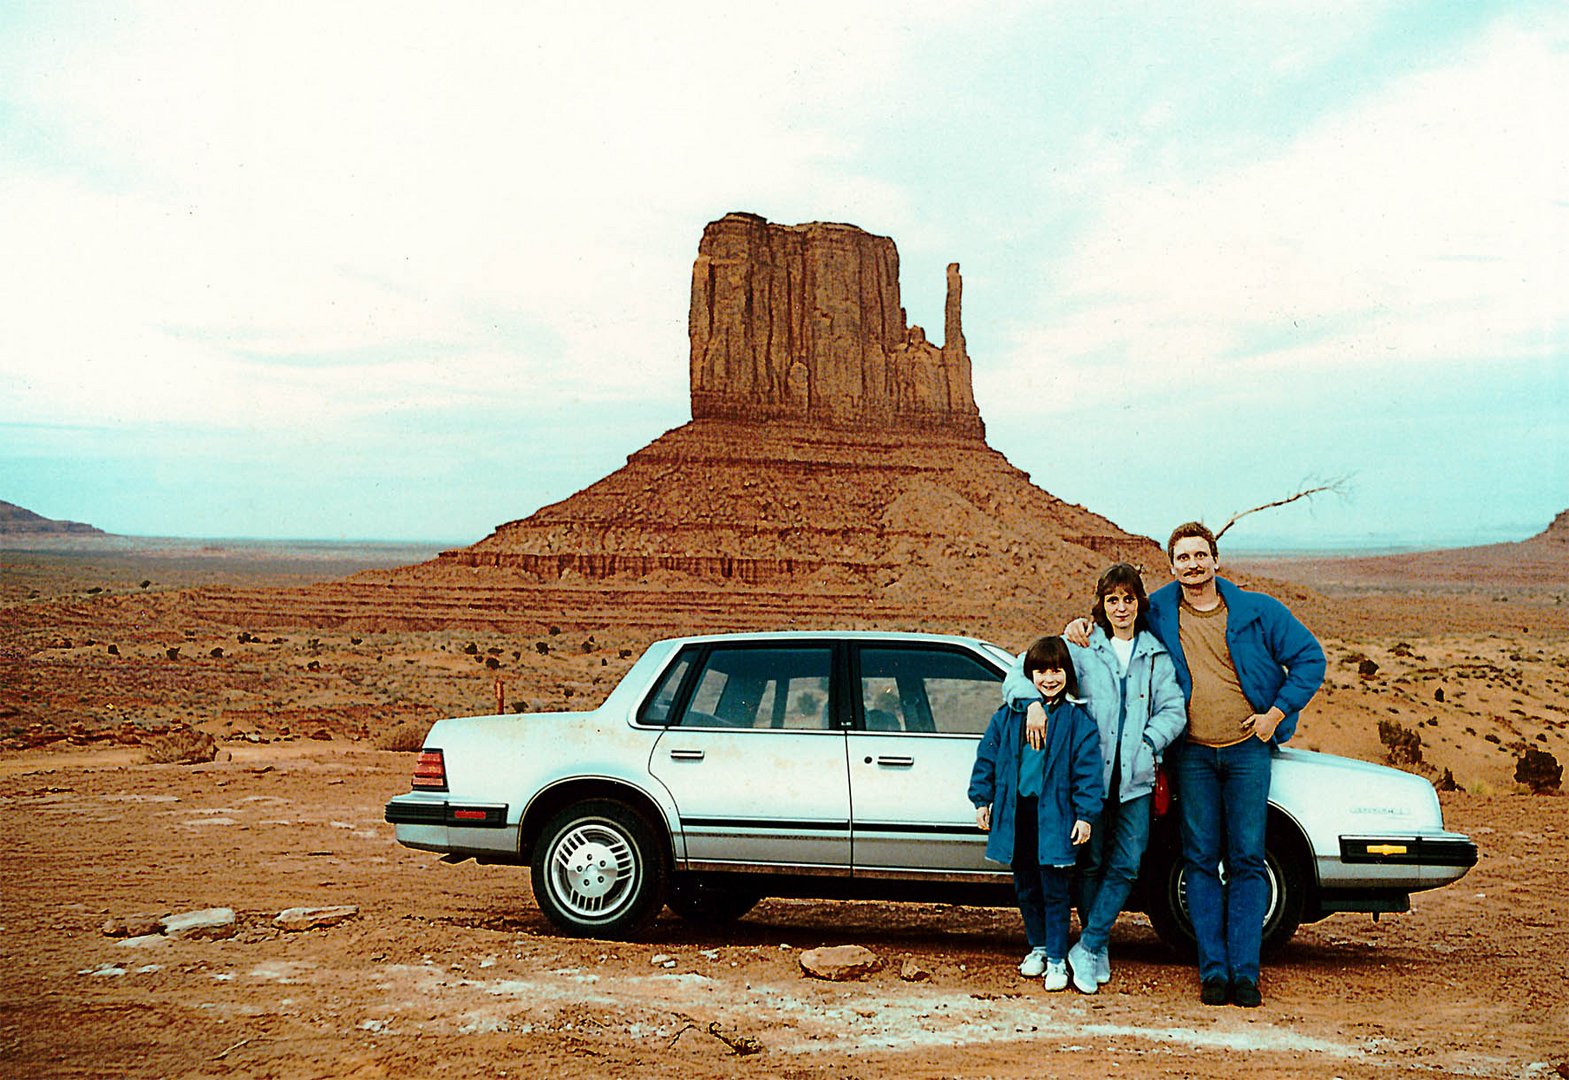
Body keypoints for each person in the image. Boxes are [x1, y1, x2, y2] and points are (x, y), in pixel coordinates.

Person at [1068, 522, 1325, 1008]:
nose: (1192, 564)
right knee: (1201, 859)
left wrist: (1276, 713)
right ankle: (1212, 972)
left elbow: (1310, 659)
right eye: (1182, 557)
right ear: (1172, 566)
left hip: (1248, 750)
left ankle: (1245, 974)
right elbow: (1112, 620)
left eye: (1199, 555)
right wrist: (1077, 628)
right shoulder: (1159, 609)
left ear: (1215, 559)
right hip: (1193, 755)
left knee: (1249, 857)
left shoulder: (1257, 611)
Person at [1001, 563, 1186, 994]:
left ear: (1140, 603)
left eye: (1129, 599)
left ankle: (1090, 943)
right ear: (1101, 605)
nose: (1121, 608)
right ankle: (1094, 948)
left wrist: (1149, 742)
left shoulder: (1154, 654)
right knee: (1091, 862)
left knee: (1127, 862)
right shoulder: (1081, 645)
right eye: (1112, 600)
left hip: (1136, 777)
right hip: (1086, 776)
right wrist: (1031, 702)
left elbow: (1173, 709)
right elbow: (1017, 675)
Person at [969, 636, 1103, 991]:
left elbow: (1088, 774)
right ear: (1029, 675)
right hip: (1018, 815)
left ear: (1067, 675)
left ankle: (1058, 959)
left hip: (1056, 818)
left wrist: (1085, 816)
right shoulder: (1008, 716)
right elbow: (987, 759)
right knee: (1026, 885)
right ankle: (1039, 947)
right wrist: (982, 801)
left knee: (1055, 890)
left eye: (1056, 670)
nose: (1049, 678)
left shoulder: (1078, 722)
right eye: (1041, 671)